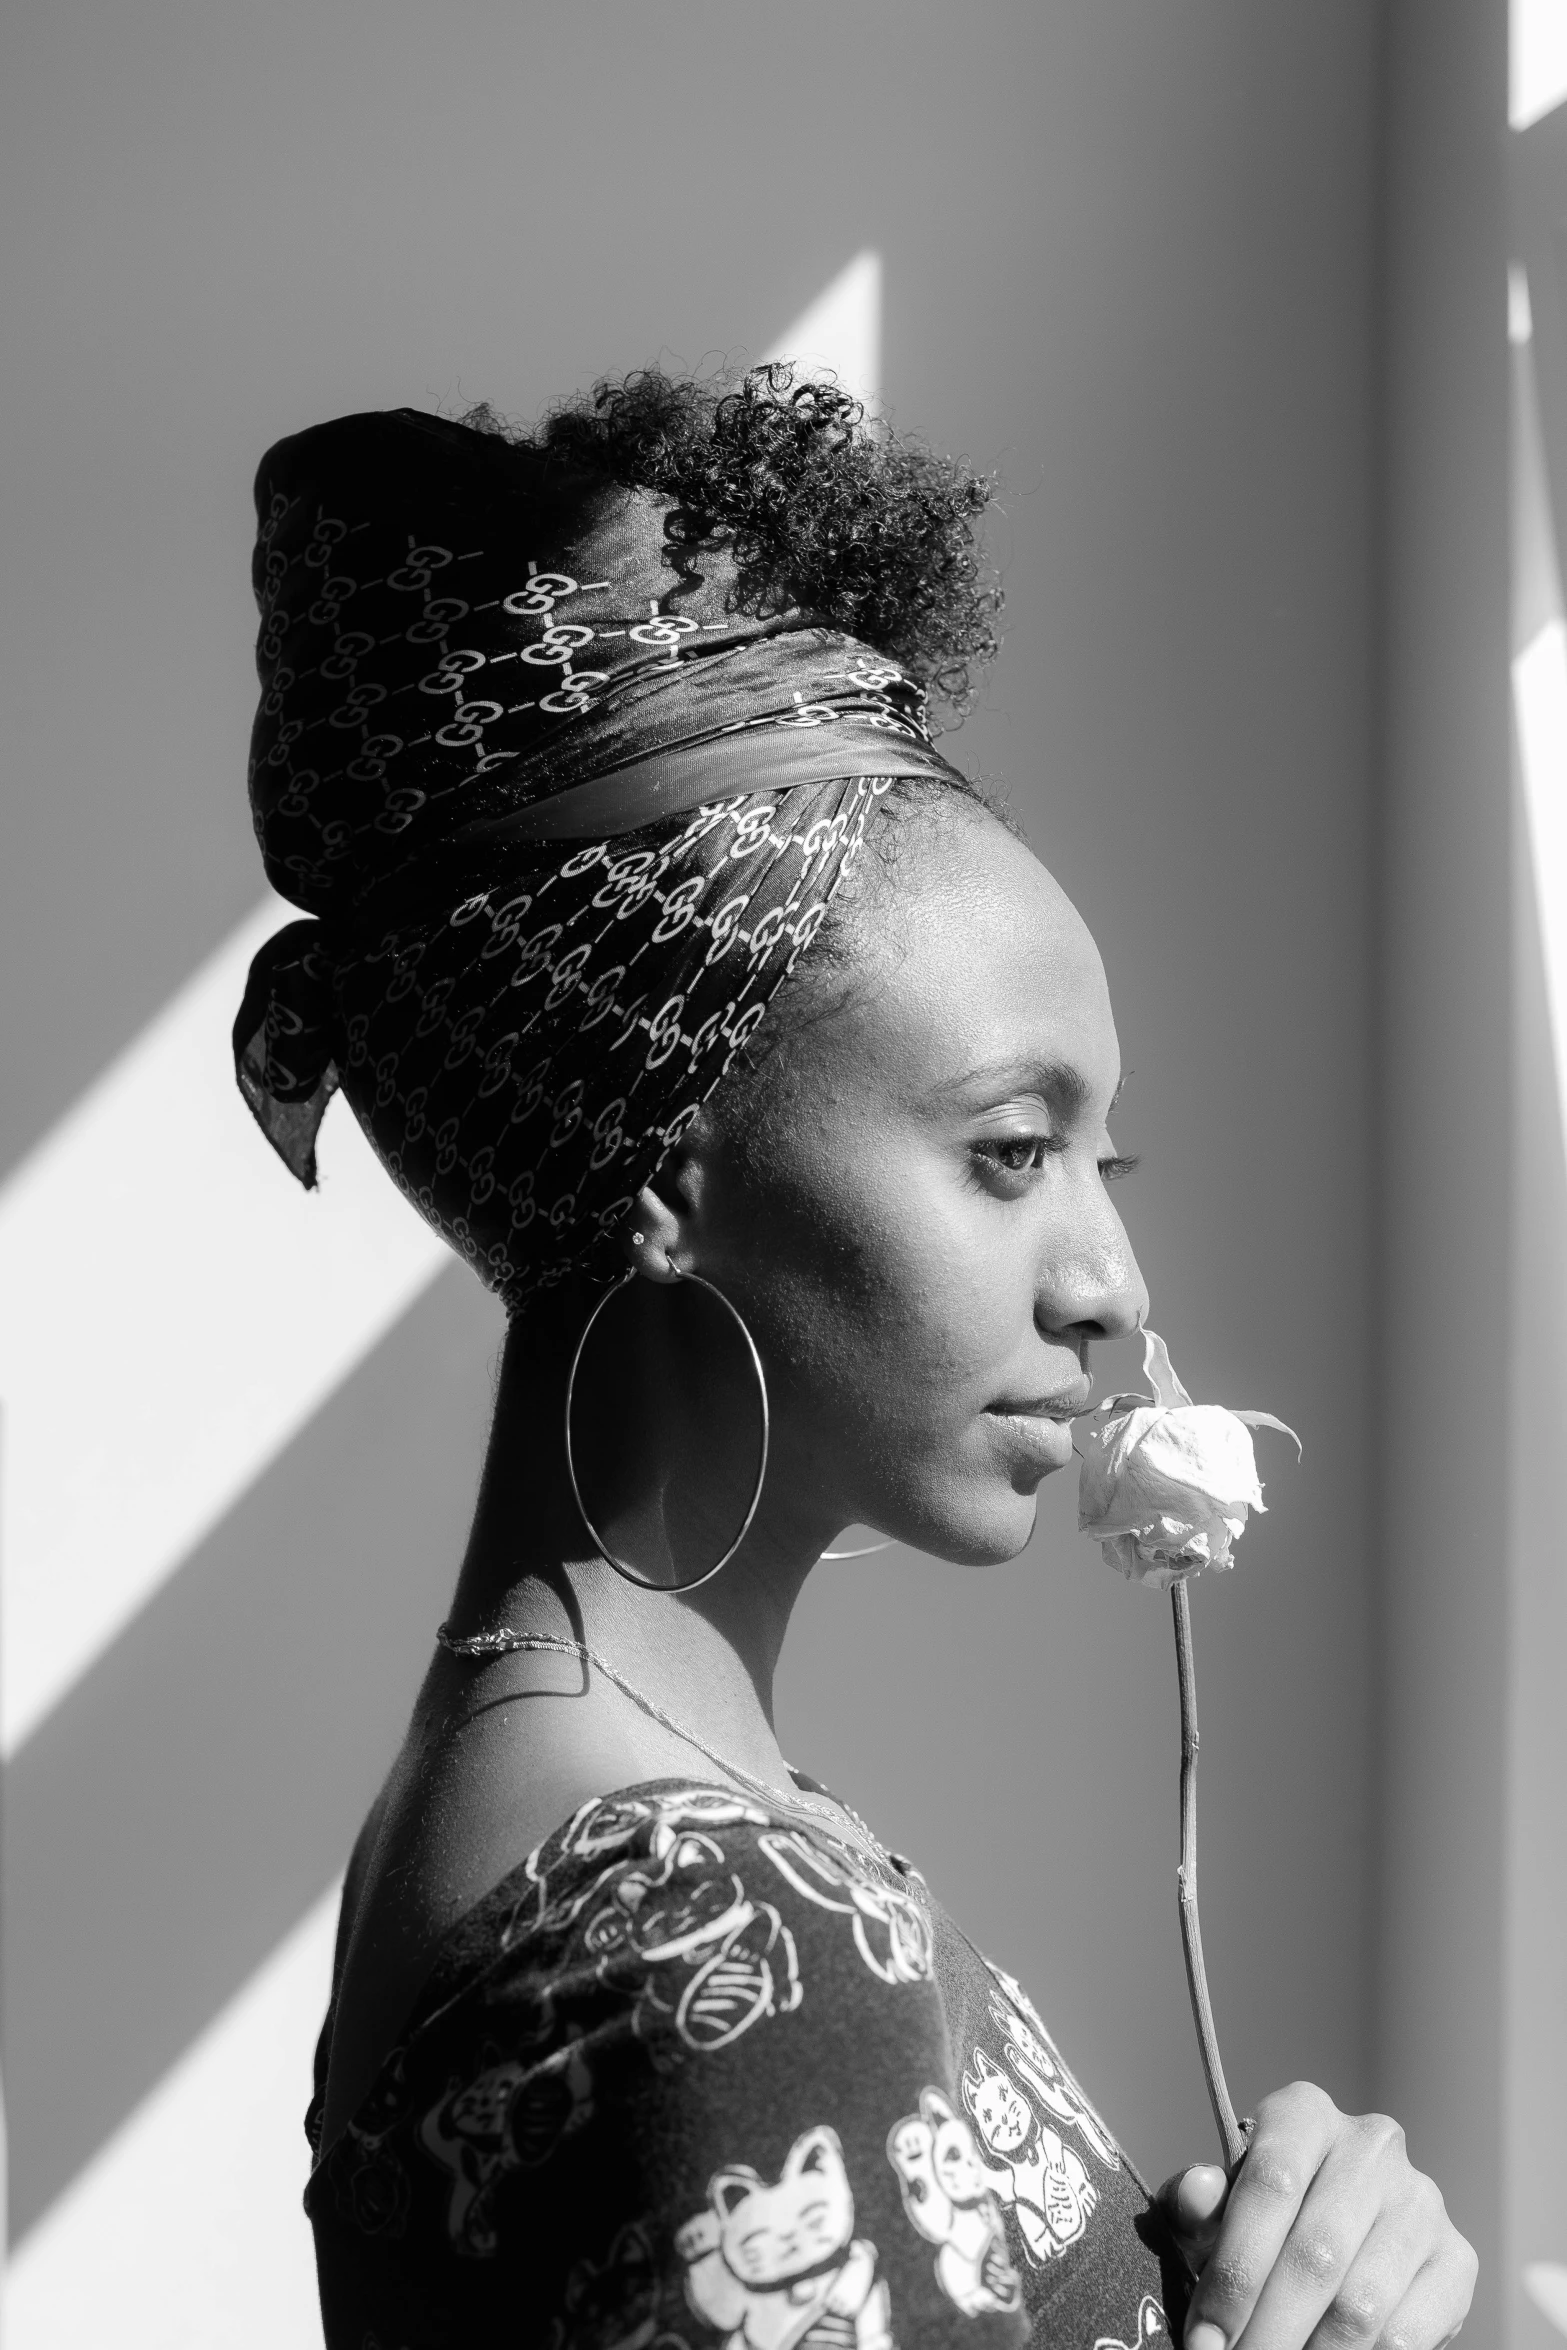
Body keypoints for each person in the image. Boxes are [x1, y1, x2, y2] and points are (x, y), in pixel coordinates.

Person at [234, 371, 1475, 2350]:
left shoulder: (627, 1818)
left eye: (1102, 1157)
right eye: (1009, 1152)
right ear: (667, 1174)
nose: (1113, 1286)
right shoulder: (709, 1942)